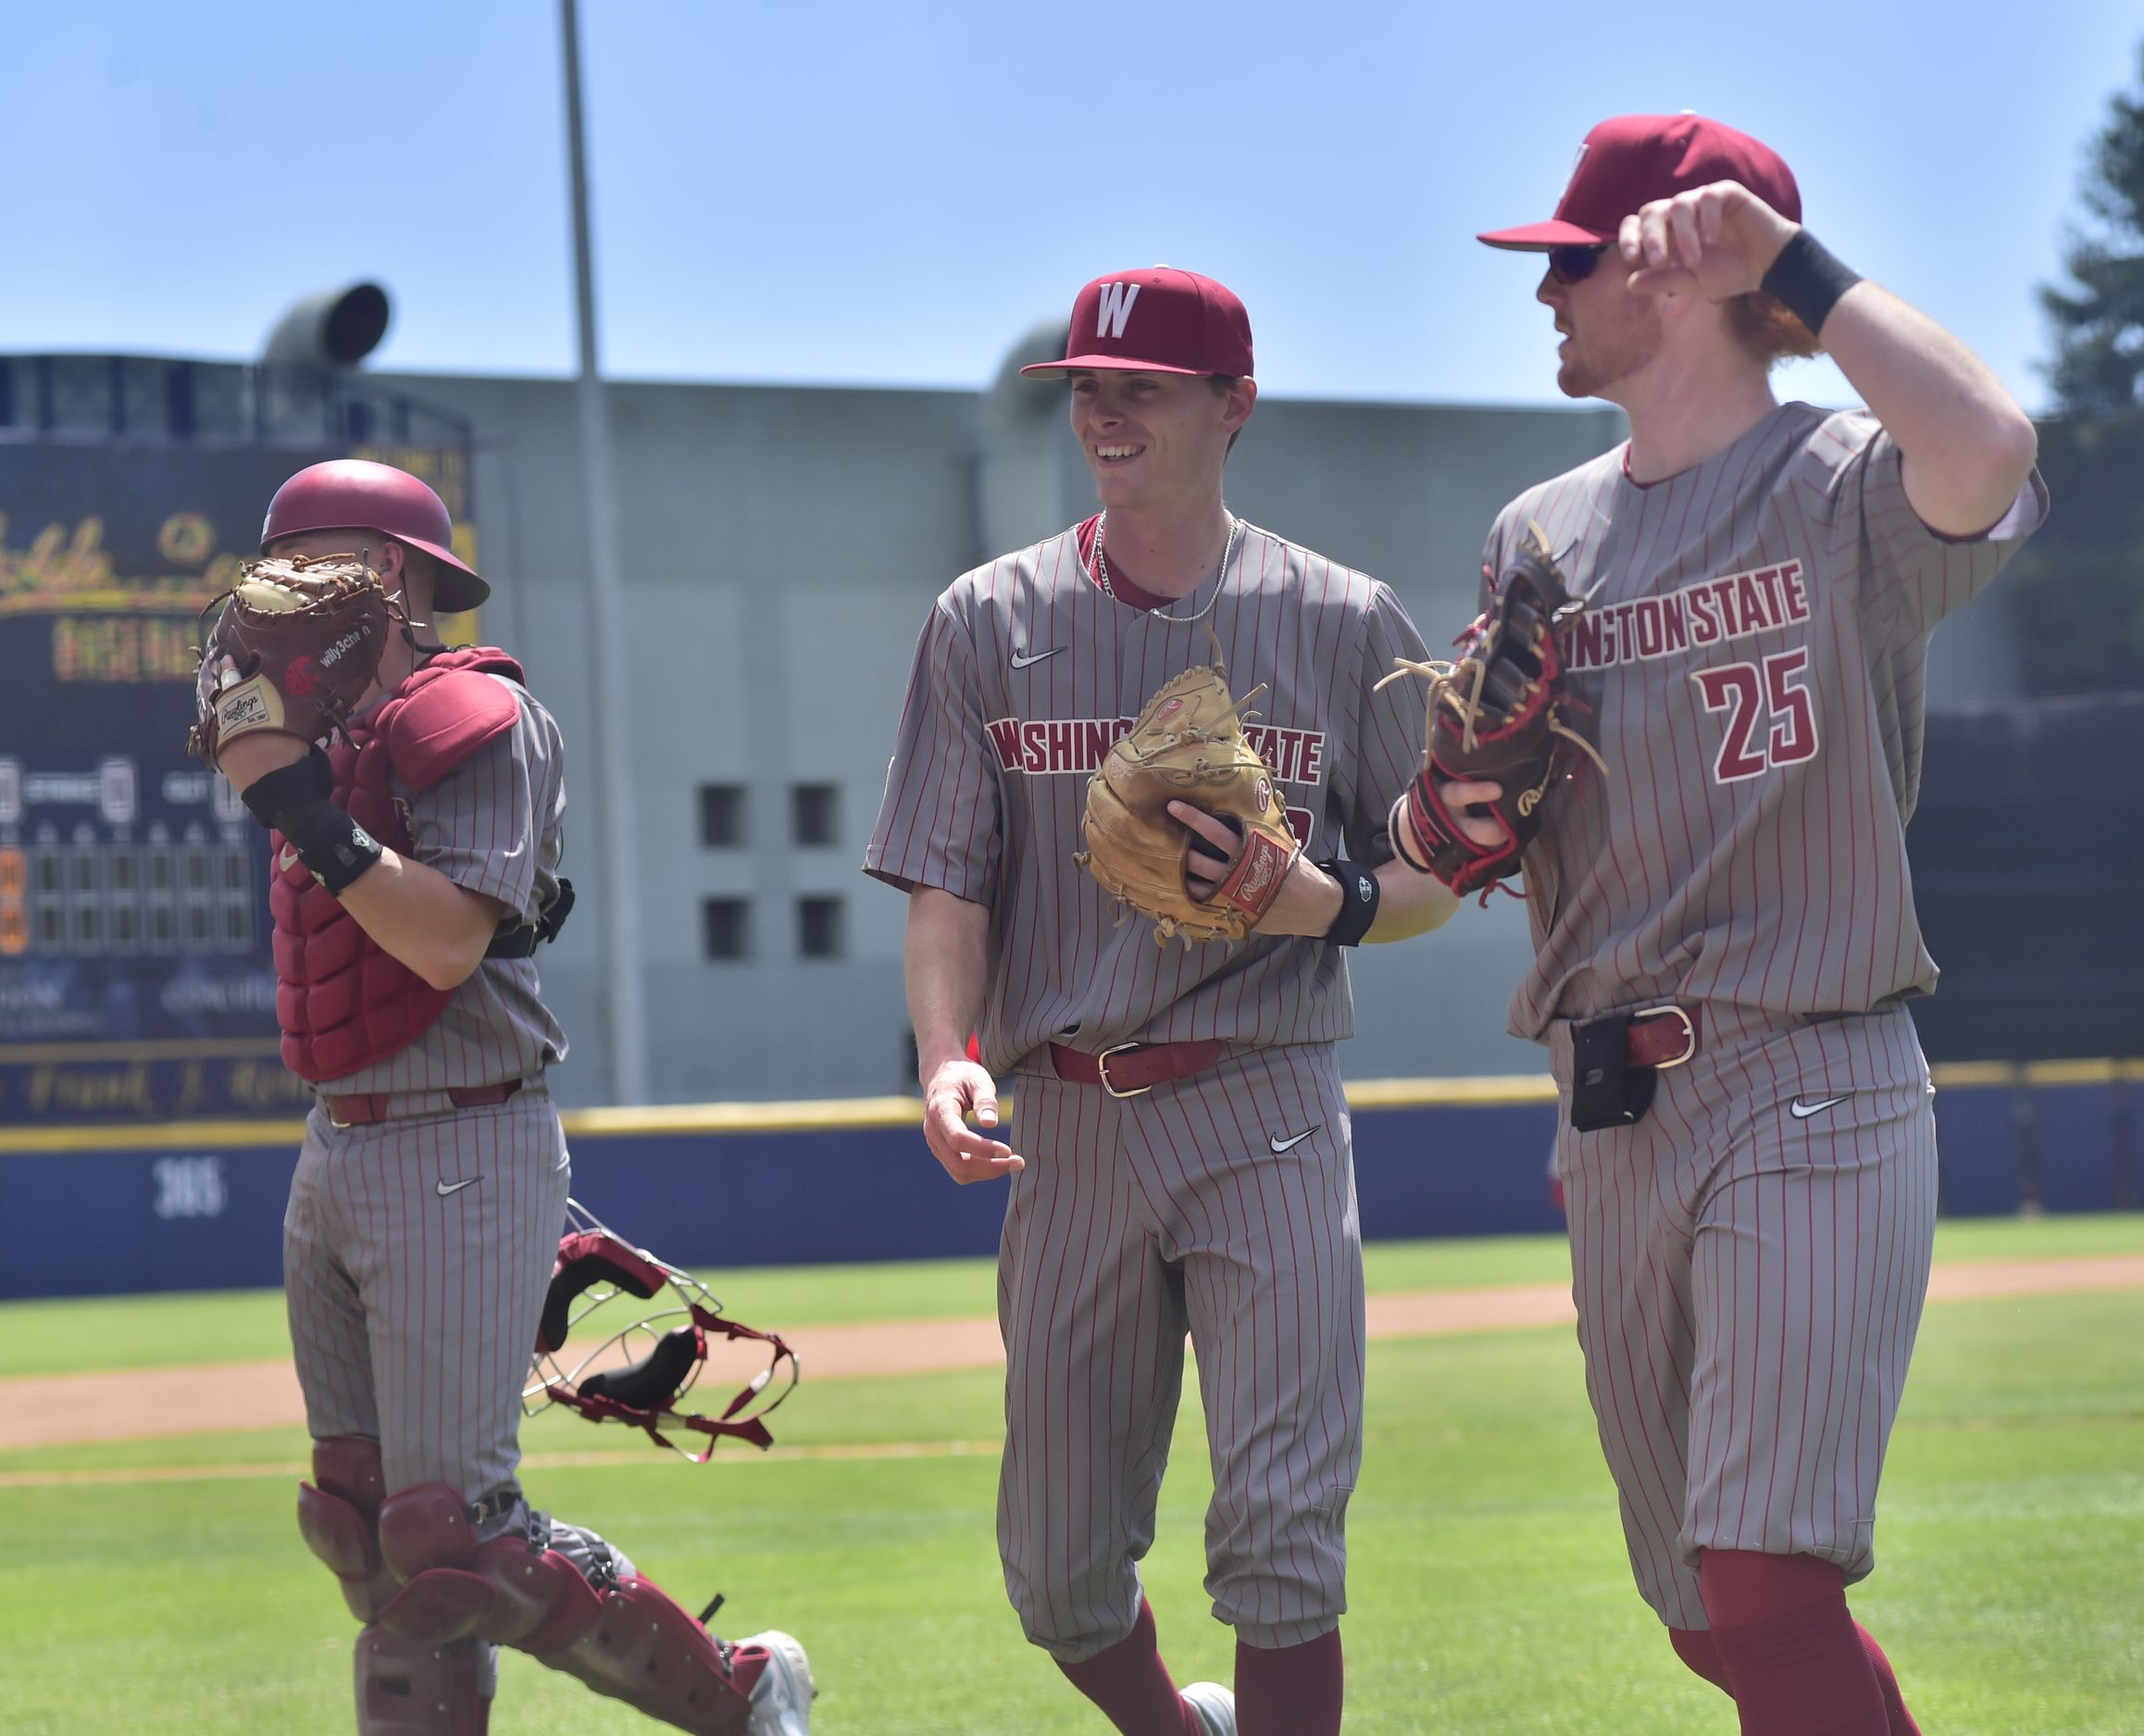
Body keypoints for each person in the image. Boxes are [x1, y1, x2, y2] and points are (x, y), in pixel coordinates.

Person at [1401, 114, 2045, 1734]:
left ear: (1676, 266)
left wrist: (1793, 273)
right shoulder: (1541, 534)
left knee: (1764, 1575)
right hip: (1615, 1102)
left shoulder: (1841, 480)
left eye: (1572, 262)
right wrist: (1395, 851)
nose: (1545, 294)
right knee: (1707, 1615)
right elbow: (1474, 823)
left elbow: (1991, 449)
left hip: (1810, 1067)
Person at [866, 268, 1459, 1736]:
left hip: (1262, 1096)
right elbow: (948, 882)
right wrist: (945, 1054)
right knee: (1058, 1573)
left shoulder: (1339, 617)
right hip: (1066, 1117)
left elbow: (1443, 866)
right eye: (1087, 385)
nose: (1105, 411)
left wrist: (1321, 900)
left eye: (1142, 385)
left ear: (1232, 405)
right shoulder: (984, 619)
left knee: (1279, 1535)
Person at [203, 458, 813, 1736]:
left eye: (316, 566)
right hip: (337, 1143)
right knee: (359, 1523)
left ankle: (743, 1696)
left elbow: (440, 946)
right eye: (274, 573)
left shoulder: (475, 718)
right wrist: (296, 781)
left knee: (454, 1538)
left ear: (401, 577)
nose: (280, 600)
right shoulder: (303, 742)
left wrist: (302, 808)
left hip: (459, 1133)